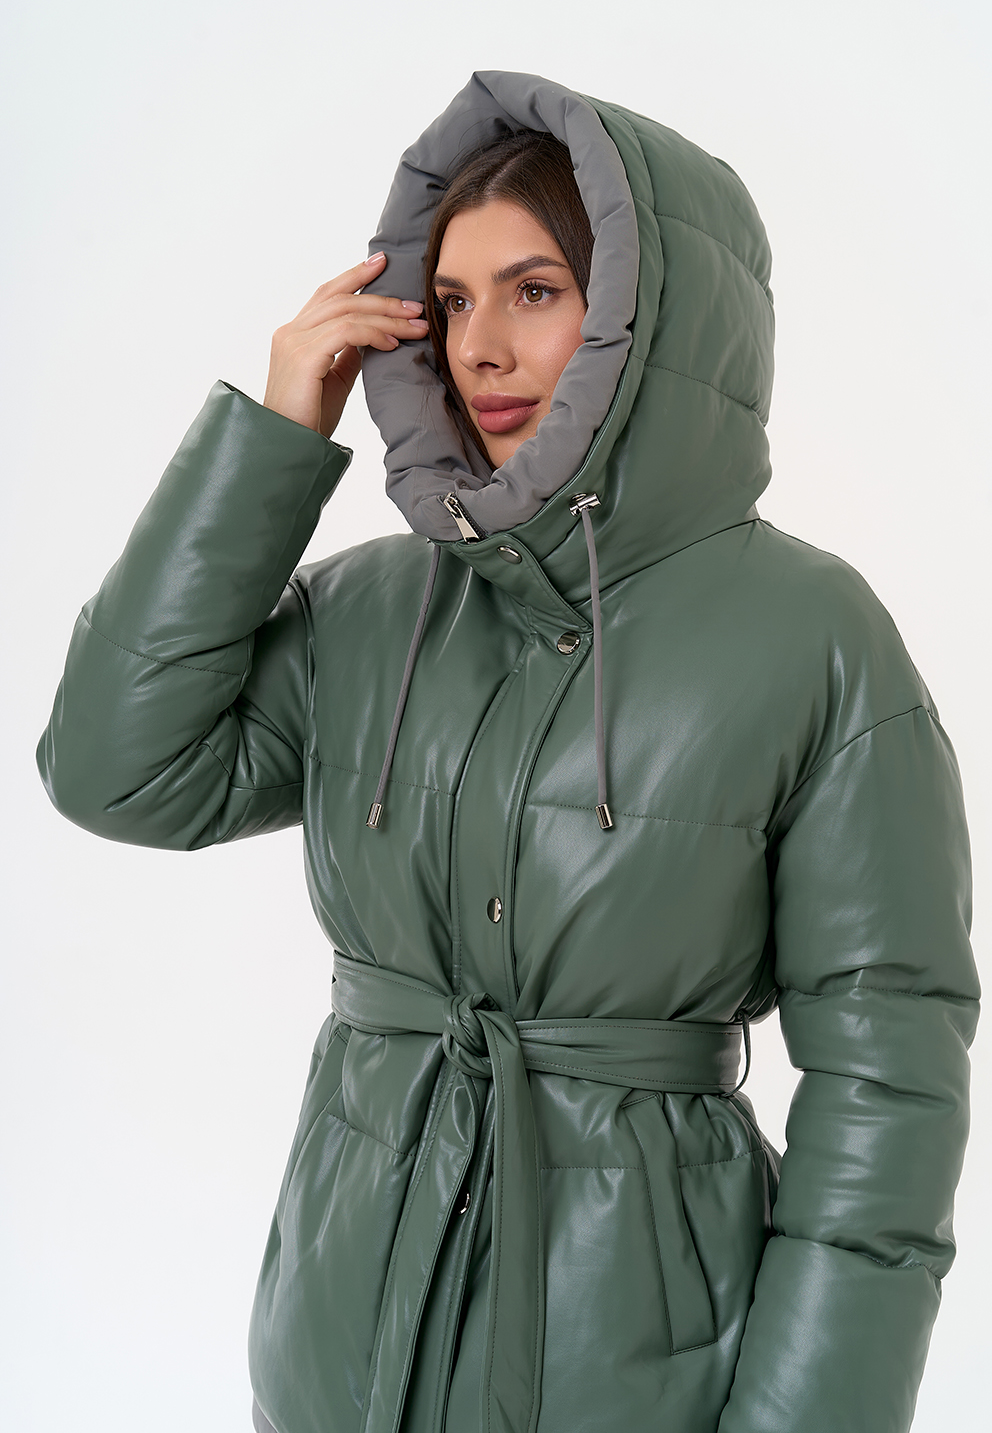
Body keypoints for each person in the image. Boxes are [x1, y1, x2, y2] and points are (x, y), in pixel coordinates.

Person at [37, 69, 979, 1433]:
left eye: (535, 291)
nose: (479, 347)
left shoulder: (813, 636)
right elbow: (113, 771)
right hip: (344, 1351)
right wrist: (272, 443)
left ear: (648, 317)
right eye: (453, 301)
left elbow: (886, 1086)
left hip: (640, 1371)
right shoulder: (370, 608)